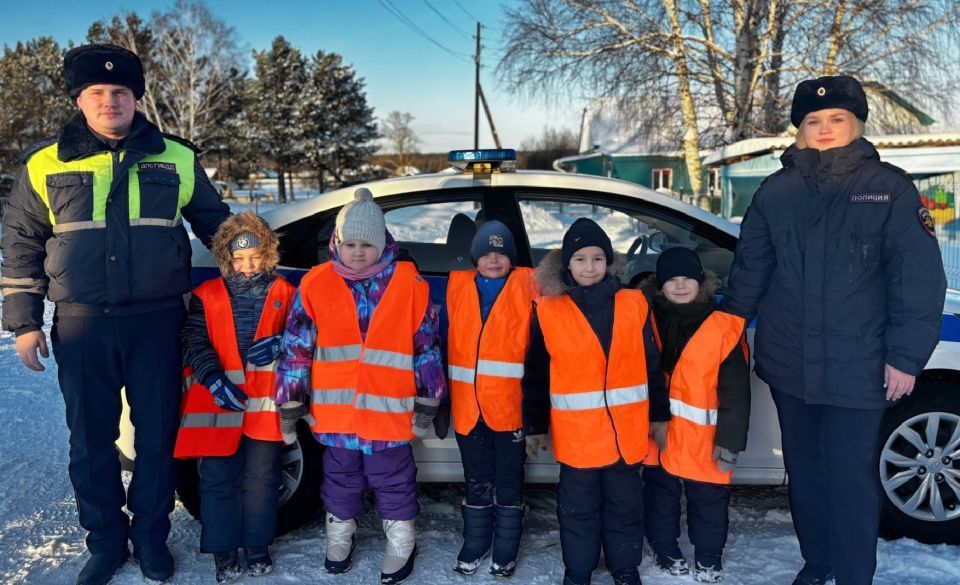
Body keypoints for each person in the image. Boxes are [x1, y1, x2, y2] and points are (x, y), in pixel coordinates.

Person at [0, 44, 229, 584]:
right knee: (90, 439)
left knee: (156, 438)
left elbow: (218, 227)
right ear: (79, 99)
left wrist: (255, 266)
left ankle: (151, 537)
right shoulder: (45, 162)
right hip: (82, 323)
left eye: (120, 92)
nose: (109, 101)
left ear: (136, 97)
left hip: (157, 321)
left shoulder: (176, 157)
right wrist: (25, 322)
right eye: (97, 93)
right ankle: (104, 540)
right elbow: (22, 245)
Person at [720, 75, 946, 585]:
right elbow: (750, 270)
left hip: (860, 363)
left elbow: (919, 279)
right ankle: (817, 561)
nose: (824, 129)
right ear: (800, 129)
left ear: (856, 124)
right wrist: (723, 329)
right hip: (788, 361)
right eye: (813, 121)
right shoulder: (776, 192)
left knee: (849, 477)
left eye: (836, 119)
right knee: (803, 472)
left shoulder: (888, 189)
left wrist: (906, 357)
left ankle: (851, 574)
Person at [274, 189, 446, 585]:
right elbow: (296, 348)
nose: (357, 252)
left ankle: (401, 537)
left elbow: (426, 347)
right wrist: (291, 401)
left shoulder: (409, 283)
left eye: (366, 244)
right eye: (349, 243)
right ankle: (340, 532)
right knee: (341, 476)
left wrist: (428, 398)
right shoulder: (316, 284)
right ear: (336, 243)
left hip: (389, 410)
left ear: (384, 243)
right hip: (338, 412)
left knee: (393, 477)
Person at [522, 218, 670, 585]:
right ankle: (578, 570)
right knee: (578, 510)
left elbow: (653, 365)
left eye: (598, 258)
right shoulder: (547, 309)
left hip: (626, 435)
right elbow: (537, 375)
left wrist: (659, 415)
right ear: (566, 265)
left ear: (610, 262)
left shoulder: (634, 303)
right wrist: (535, 425)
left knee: (625, 507)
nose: (590, 267)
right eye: (581, 259)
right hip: (578, 440)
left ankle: (624, 566)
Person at [173, 212, 295, 583]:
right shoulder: (206, 295)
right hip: (217, 401)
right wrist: (211, 377)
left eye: (255, 257)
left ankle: (257, 544)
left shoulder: (285, 293)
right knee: (216, 479)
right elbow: (193, 339)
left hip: (265, 404)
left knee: (261, 477)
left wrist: (283, 342)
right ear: (225, 258)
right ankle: (224, 549)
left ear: (267, 254)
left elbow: (306, 335)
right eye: (238, 259)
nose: (246, 266)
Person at [638, 247, 750, 583]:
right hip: (658, 433)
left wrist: (730, 440)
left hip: (706, 438)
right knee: (660, 495)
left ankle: (708, 556)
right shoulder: (646, 320)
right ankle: (663, 546)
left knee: (709, 501)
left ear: (701, 282)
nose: (681, 285)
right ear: (661, 286)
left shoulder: (722, 327)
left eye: (688, 278)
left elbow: (736, 390)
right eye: (672, 279)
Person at [446, 220, 539, 577]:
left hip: (510, 408)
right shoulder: (458, 287)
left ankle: (505, 544)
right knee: (476, 478)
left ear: (512, 257)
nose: (494, 259)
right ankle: (476, 540)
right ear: (475, 258)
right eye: (486, 253)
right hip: (469, 407)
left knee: (510, 478)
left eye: (501, 253)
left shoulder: (529, 286)